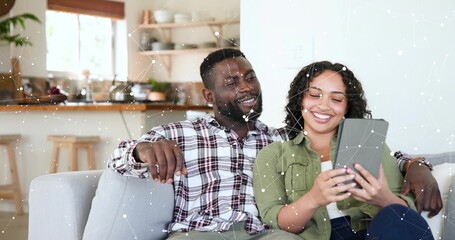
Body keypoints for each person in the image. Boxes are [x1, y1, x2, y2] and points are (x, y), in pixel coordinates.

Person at [107, 49, 440, 239]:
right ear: (209, 96)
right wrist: (142, 150)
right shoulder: (181, 133)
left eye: (250, 77)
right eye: (231, 82)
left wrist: (416, 165)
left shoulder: (281, 139)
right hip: (200, 233)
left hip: (265, 234)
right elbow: (119, 159)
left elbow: (366, 152)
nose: (246, 88)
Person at [253, 61, 434, 239]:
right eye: (315, 95)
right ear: (300, 99)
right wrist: (313, 199)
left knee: (395, 215)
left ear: (347, 106)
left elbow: (408, 219)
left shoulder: (368, 143)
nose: (324, 105)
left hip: (373, 233)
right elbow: (276, 222)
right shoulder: (274, 154)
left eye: (337, 99)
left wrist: (382, 197)